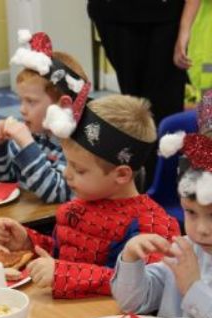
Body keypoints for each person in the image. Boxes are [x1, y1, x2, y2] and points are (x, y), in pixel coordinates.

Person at [0, 94, 180, 299]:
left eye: (79, 169)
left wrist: (63, 273)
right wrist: (29, 243)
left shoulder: (152, 224)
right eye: (67, 162)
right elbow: (64, 253)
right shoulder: (81, 204)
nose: (66, 173)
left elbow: (147, 287)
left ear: (121, 174)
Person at [111, 128, 212, 318]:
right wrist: (131, 258)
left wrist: (194, 289)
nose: (202, 229)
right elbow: (133, 304)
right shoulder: (185, 251)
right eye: (191, 212)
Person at [87, 0, 201, 188]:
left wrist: (184, 31)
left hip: (166, 17)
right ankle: (141, 188)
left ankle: (163, 189)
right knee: (134, 112)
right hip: (114, 15)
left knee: (164, 114)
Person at [0, 30, 91, 203]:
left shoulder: (75, 145)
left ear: (63, 105)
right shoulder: (35, 133)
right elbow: (4, 180)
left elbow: (56, 193)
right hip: (27, 213)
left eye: (31, 102)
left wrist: (27, 145)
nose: (22, 110)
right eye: (21, 100)